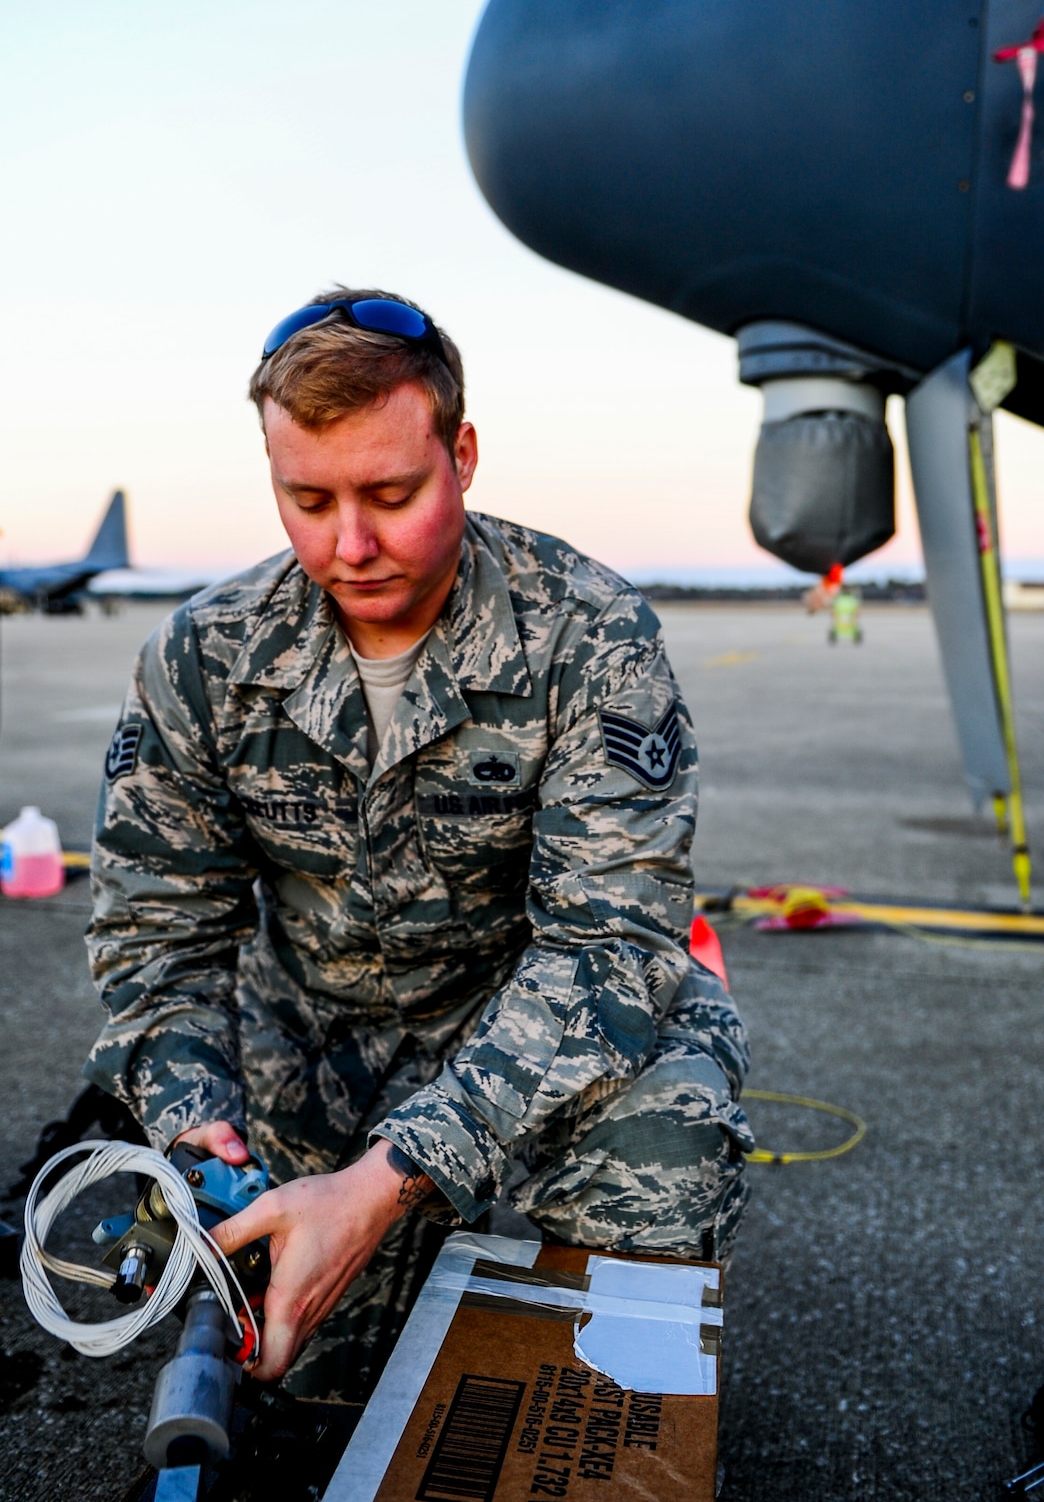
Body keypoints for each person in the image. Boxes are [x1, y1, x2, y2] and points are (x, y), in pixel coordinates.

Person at [85, 290, 750, 1398]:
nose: (350, 544)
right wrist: (200, 1130)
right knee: (310, 1388)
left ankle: (599, 1478)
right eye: (307, 499)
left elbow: (607, 948)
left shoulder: (589, 635)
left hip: (536, 1021)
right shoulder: (203, 656)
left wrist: (393, 1175)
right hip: (318, 1038)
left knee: (659, 1148)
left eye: (392, 493)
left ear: (464, 454)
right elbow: (159, 937)